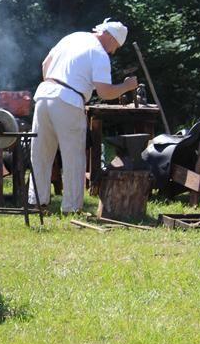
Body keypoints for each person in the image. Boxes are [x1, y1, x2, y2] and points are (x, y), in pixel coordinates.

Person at [28, 18, 138, 213]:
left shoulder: (73, 37)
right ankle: (71, 207)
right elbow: (104, 92)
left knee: (41, 154)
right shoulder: (98, 53)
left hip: (44, 95)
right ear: (111, 38)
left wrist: (57, 87)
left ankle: (37, 202)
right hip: (68, 101)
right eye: (115, 47)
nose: (112, 52)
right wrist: (126, 87)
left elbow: (46, 63)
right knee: (73, 157)